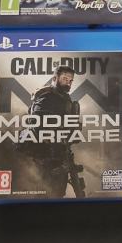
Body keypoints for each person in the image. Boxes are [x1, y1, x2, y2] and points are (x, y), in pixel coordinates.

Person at [25, 65, 82, 197]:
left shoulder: (64, 97)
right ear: (55, 78)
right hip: (47, 156)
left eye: (70, 80)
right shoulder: (46, 97)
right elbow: (36, 125)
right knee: (48, 193)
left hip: (61, 153)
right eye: (65, 79)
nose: (68, 83)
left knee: (59, 192)